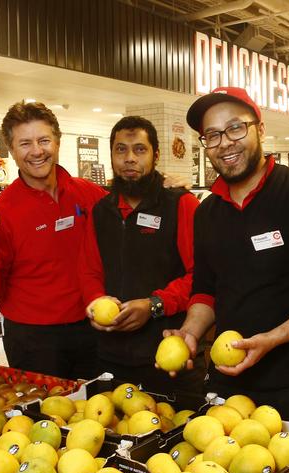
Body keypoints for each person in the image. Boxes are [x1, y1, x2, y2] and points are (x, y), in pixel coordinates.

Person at [164, 87, 289, 422]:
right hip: (226, 382)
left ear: (260, 129)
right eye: (212, 135)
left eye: (235, 128)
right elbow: (206, 288)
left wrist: (273, 339)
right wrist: (190, 333)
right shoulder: (207, 212)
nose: (224, 142)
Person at [0, 101, 105, 380]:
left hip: (93, 329)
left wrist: (164, 189)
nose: (37, 151)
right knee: (41, 420)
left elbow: (130, 213)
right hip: (34, 341)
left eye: (44, 140)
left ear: (57, 142)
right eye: (25, 143)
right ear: (12, 151)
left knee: (97, 414)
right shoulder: (2, 212)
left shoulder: (89, 193)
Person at [78, 116, 205, 394]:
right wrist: (94, 301)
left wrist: (154, 305)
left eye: (140, 149)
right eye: (121, 149)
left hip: (168, 354)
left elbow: (202, 277)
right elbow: (89, 271)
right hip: (109, 356)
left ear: (156, 155)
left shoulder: (181, 204)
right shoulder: (101, 210)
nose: (129, 159)